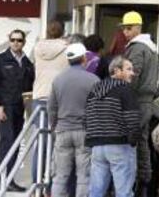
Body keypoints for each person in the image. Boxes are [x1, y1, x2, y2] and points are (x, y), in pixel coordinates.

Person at [0, 29, 35, 192]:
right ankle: (1, 180)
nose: (15, 43)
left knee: (15, 144)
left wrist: (30, 109)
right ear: (9, 40)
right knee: (7, 143)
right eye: (13, 39)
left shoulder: (27, 63)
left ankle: (10, 179)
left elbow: (30, 88)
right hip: (5, 108)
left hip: (20, 109)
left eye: (19, 40)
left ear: (24, 42)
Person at [86, 55, 141, 197]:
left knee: (96, 191)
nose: (132, 73)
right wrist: (134, 140)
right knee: (124, 192)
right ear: (117, 71)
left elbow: (87, 117)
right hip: (120, 144)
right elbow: (132, 118)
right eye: (129, 69)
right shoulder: (125, 89)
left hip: (97, 146)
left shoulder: (94, 89)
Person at [49, 43, 100, 197]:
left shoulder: (58, 79)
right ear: (84, 58)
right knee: (84, 177)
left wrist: (54, 127)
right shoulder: (93, 80)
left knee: (60, 176)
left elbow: (51, 107)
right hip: (85, 132)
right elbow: (98, 109)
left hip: (63, 131)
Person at [121, 11, 159, 197]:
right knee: (141, 141)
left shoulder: (138, 48)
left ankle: (135, 185)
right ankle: (144, 184)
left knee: (130, 143)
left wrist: (121, 96)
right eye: (123, 28)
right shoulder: (150, 47)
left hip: (137, 100)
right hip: (146, 101)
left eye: (128, 28)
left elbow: (131, 77)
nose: (125, 32)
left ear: (138, 27)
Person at [32, 20, 68, 194]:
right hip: (59, 99)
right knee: (58, 145)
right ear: (63, 32)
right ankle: (52, 187)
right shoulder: (67, 49)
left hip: (39, 98)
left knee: (40, 144)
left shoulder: (37, 48)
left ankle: (36, 184)